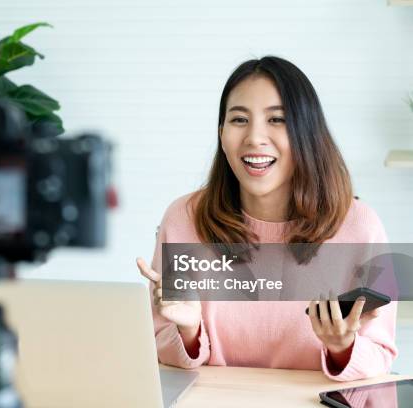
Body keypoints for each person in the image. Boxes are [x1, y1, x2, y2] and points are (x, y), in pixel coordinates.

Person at [136, 56, 397, 381]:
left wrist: (342, 346)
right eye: (239, 120)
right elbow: (161, 349)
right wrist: (187, 330)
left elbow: (380, 355)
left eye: (277, 120)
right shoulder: (183, 219)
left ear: (307, 132)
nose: (254, 138)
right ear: (221, 133)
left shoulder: (361, 226)